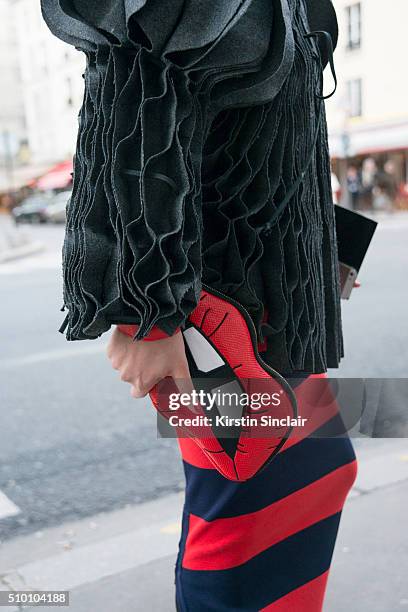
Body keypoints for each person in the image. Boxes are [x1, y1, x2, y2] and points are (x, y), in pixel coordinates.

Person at [41, 0, 357, 609]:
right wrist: (143, 313)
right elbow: (129, 99)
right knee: (250, 516)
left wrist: (335, 246)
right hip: (218, 317)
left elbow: (286, 141)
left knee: (315, 473)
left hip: (271, 302)